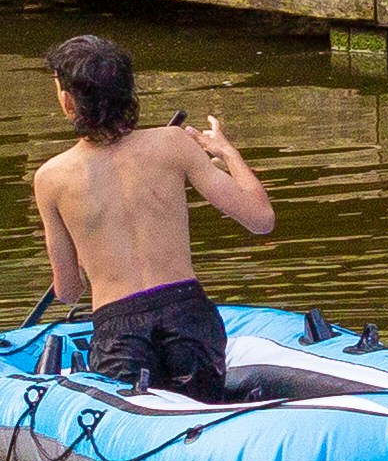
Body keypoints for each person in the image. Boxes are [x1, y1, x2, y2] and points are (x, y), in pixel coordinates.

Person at [32, 30, 275, 396]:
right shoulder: (172, 143)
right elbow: (261, 218)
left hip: (120, 333)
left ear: (68, 103)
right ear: (128, 92)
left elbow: (67, 291)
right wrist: (227, 153)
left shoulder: (51, 178)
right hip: (190, 318)